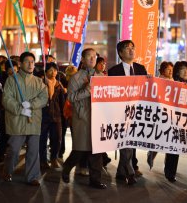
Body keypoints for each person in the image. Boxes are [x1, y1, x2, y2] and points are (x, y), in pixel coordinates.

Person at [61, 48, 107, 189]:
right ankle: (67, 167)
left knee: (97, 150)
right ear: (82, 59)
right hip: (82, 117)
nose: (92, 59)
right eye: (89, 56)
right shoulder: (76, 78)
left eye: (94, 56)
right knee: (80, 150)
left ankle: (95, 180)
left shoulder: (101, 77)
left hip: (98, 117)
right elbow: (71, 98)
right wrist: (88, 90)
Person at [2, 52, 48, 186]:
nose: (30, 64)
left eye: (32, 62)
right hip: (17, 120)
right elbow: (6, 99)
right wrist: (19, 108)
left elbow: (44, 98)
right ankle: (7, 170)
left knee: (34, 150)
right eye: (27, 61)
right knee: (14, 149)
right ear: (20, 64)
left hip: (33, 120)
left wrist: (31, 105)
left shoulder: (39, 81)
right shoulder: (12, 80)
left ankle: (32, 176)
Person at [108, 40, 147, 185]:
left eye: (133, 47)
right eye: (127, 48)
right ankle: (130, 173)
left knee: (131, 143)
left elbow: (146, 90)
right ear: (120, 53)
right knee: (126, 143)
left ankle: (120, 172)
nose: (131, 50)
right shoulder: (113, 71)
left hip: (136, 113)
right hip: (120, 113)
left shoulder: (141, 69)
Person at [147, 61, 174, 168]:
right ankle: (152, 154)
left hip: (170, 114)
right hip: (160, 114)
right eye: (168, 69)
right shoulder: (158, 80)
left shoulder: (172, 81)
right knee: (160, 138)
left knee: (169, 141)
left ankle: (168, 165)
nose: (171, 71)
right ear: (163, 70)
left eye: (172, 69)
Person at [39, 62, 65, 170]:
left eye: (55, 70)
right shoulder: (41, 83)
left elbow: (62, 101)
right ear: (46, 71)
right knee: (42, 139)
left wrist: (63, 115)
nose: (53, 72)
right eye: (50, 70)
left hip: (56, 115)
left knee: (57, 138)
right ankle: (43, 161)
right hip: (43, 115)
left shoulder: (58, 84)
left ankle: (54, 158)